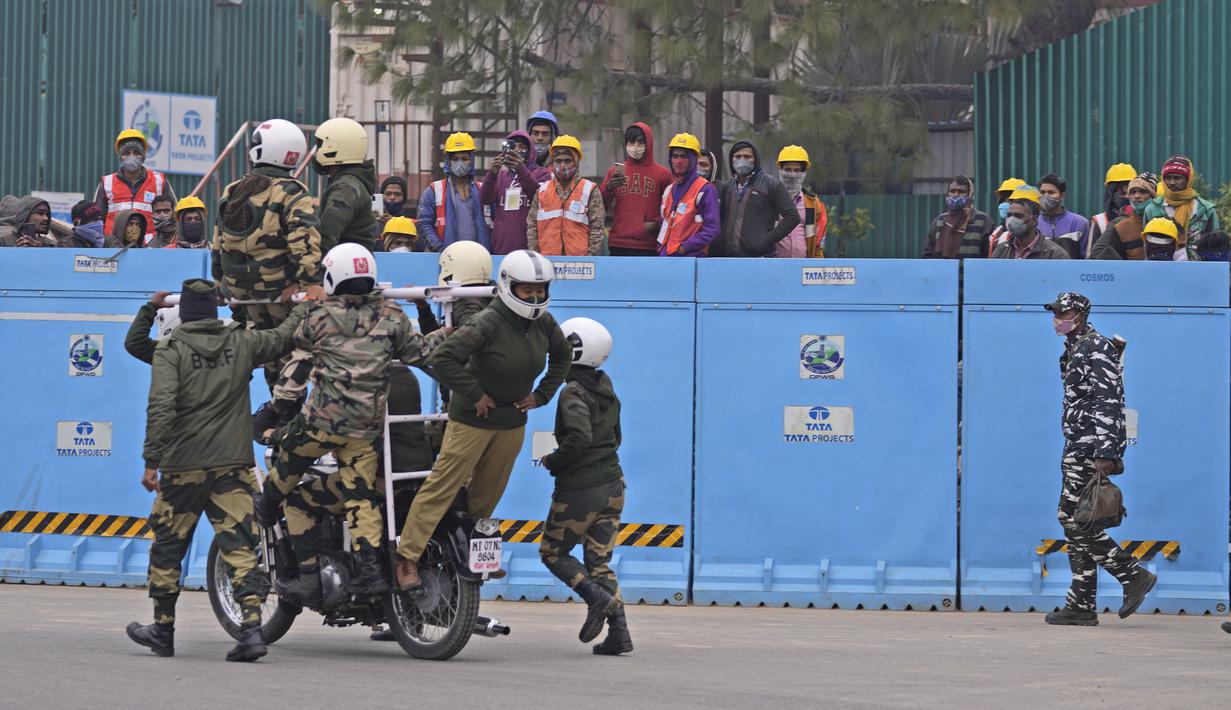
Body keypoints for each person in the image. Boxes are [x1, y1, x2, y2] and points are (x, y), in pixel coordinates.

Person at [126, 278, 310, 662]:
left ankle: (162, 629)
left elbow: (159, 402)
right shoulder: (241, 342)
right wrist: (302, 303)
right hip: (231, 466)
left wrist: (151, 461)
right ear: (215, 311)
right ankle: (252, 631)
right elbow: (283, 336)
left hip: (183, 468)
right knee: (241, 548)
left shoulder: (171, 350)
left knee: (167, 547)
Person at [257, 244, 448, 597]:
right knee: (360, 498)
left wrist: (301, 304)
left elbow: (289, 343)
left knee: (288, 463)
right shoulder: (392, 316)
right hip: (364, 430)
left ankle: (271, 514)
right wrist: (446, 332)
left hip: (321, 424)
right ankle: (373, 573)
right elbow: (419, 352)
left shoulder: (318, 316)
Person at [394, 249, 572, 591]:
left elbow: (562, 357)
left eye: (540, 289)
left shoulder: (543, 323)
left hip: (511, 424)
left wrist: (542, 395)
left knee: (487, 494)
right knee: (442, 486)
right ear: (508, 286)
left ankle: (469, 554)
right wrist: (475, 394)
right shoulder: (488, 321)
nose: (535, 297)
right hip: (471, 422)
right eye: (526, 289)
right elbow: (445, 358)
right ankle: (407, 556)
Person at [1042, 291, 1156, 626]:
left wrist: (1107, 451)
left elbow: (1109, 399)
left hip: (1090, 448)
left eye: (1062, 313)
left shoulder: (1096, 346)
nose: (1056, 319)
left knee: (1072, 519)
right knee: (1082, 519)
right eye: (1055, 313)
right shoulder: (1075, 347)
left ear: (1079, 314)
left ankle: (1132, 575)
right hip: (1077, 444)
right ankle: (1080, 604)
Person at [211, 118, 324, 404]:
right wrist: (311, 283)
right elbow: (304, 241)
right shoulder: (293, 192)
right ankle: (285, 411)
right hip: (279, 291)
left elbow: (217, 242)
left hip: (240, 293)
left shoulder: (232, 189)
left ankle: (273, 407)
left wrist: (221, 284)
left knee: (264, 348)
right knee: (291, 348)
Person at [539, 317, 632, 655]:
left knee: (552, 553)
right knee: (600, 563)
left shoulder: (571, 392)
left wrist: (554, 460)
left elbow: (579, 439)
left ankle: (596, 599)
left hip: (581, 488)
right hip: (613, 484)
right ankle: (619, 634)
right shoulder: (607, 388)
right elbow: (615, 438)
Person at [713, 141, 800, 257]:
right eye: (738, 156)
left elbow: (793, 216)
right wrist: (721, 241)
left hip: (760, 258)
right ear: (731, 160)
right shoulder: (728, 187)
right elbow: (721, 218)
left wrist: (767, 239)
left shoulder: (771, 184)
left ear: (756, 159)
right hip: (730, 259)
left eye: (747, 156)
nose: (742, 160)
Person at [599, 122, 671, 256]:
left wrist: (655, 224)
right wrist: (608, 187)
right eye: (631, 142)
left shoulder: (663, 174)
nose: (635, 146)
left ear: (648, 143)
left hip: (648, 244)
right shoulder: (615, 171)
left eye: (640, 142)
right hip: (619, 242)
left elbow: (671, 210)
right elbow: (599, 205)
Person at [527, 135, 606, 256]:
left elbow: (597, 228)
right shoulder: (542, 191)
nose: (562, 165)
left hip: (579, 264)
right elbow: (532, 226)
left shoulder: (590, 190)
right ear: (552, 163)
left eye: (567, 160)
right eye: (558, 161)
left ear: (576, 162)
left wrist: (589, 258)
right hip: (548, 261)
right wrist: (536, 255)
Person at [95, 129, 176, 239]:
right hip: (113, 247)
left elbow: (174, 217)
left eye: (136, 153)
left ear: (143, 155)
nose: (131, 156)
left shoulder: (159, 181)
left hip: (150, 248)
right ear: (120, 156)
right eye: (126, 153)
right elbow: (96, 221)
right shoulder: (106, 183)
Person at [312, 117, 378, 252]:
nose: (317, 152)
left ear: (335, 148)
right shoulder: (351, 182)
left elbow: (327, 236)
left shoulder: (345, 188)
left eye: (320, 145)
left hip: (345, 266)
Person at [417, 131, 491, 252]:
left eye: (465, 159)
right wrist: (439, 248)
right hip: (446, 258)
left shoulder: (482, 190)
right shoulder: (434, 190)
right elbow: (423, 224)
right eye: (455, 159)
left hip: (478, 258)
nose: (460, 163)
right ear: (448, 160)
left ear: (472, 160)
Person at [1141, 155, 1221, 260]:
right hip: (1162, 270)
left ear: (1188, 179)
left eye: (1177, 178)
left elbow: (1215, 246)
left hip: (1199, 271)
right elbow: (1146, 245)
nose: (1171, 182)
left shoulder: (1205, 209)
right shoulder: (1152, 209)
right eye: (1168, 178)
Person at [656, 133, 720, 257]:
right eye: (675, 156)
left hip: (691, 260)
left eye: (683, 156)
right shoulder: (669, 189)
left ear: (693, 158)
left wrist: (685, 248)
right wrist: (660, 248)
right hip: (665, 259)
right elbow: (664, 222)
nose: (678, 161)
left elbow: (713, 229)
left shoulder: (705, 189)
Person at [479, 129, 540, 254]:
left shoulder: (541, 173)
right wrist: (492, 174)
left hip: (529, 249)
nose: (516, 150)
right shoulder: (501, 176)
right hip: (501, 248)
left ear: (530, 151)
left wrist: (521, 170)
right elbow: (485, 198)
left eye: (522, 147)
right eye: (512, 147)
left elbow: (539, 198)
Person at [774, 145, 828, 258]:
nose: (792, 175)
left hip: (803, 268)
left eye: (797, 170)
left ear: (804, 173)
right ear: (780, 170)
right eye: (788, 170)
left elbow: (819, 243)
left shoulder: (813, 203)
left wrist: (817, 266)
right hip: (773, 267)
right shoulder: (769, 200)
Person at [922, 175, 994, 259]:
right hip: (943, 272)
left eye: (961, 191)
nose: (956, 194)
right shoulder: (939, 221)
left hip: (971, 272)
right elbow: (927, 255)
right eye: (952, 191)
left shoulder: (983, 221)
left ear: (970, 194)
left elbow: (989, 256)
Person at [1089, 174, 1156, 260]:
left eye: (1142, 191)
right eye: (1132, 192)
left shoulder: (1166, 222)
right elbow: (1097, 253)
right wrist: (1124, 268)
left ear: (1154, 195)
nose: (1136, 196)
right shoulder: (1119, 225)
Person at [990, 187, 1069, 260]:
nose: (1012, 220)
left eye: (1019, 216)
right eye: (1009, 215)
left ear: (1034, 220)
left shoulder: (1054, 254)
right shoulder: (1001, 250)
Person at [1036, 174, 1090, 259]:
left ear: (1062, 195)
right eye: (1042, 192)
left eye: (1051, 192)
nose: (1046, 196)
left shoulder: (1080, 223)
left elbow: (1087, 257)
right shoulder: (1034, 222)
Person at [1087, 163, 1136, 254]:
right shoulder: (1099, 221)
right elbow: (1091, 259)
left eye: (1130, 193)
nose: (1127, 197)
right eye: (1122, 194)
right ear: (1111, 195)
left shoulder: (1143, 219)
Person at [526, 110, 560, 177]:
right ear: (529, 135)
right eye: (535, 133)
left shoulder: (560, 163)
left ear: (553, 138)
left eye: (545, 134)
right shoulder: (519, 161)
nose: (540, 138)